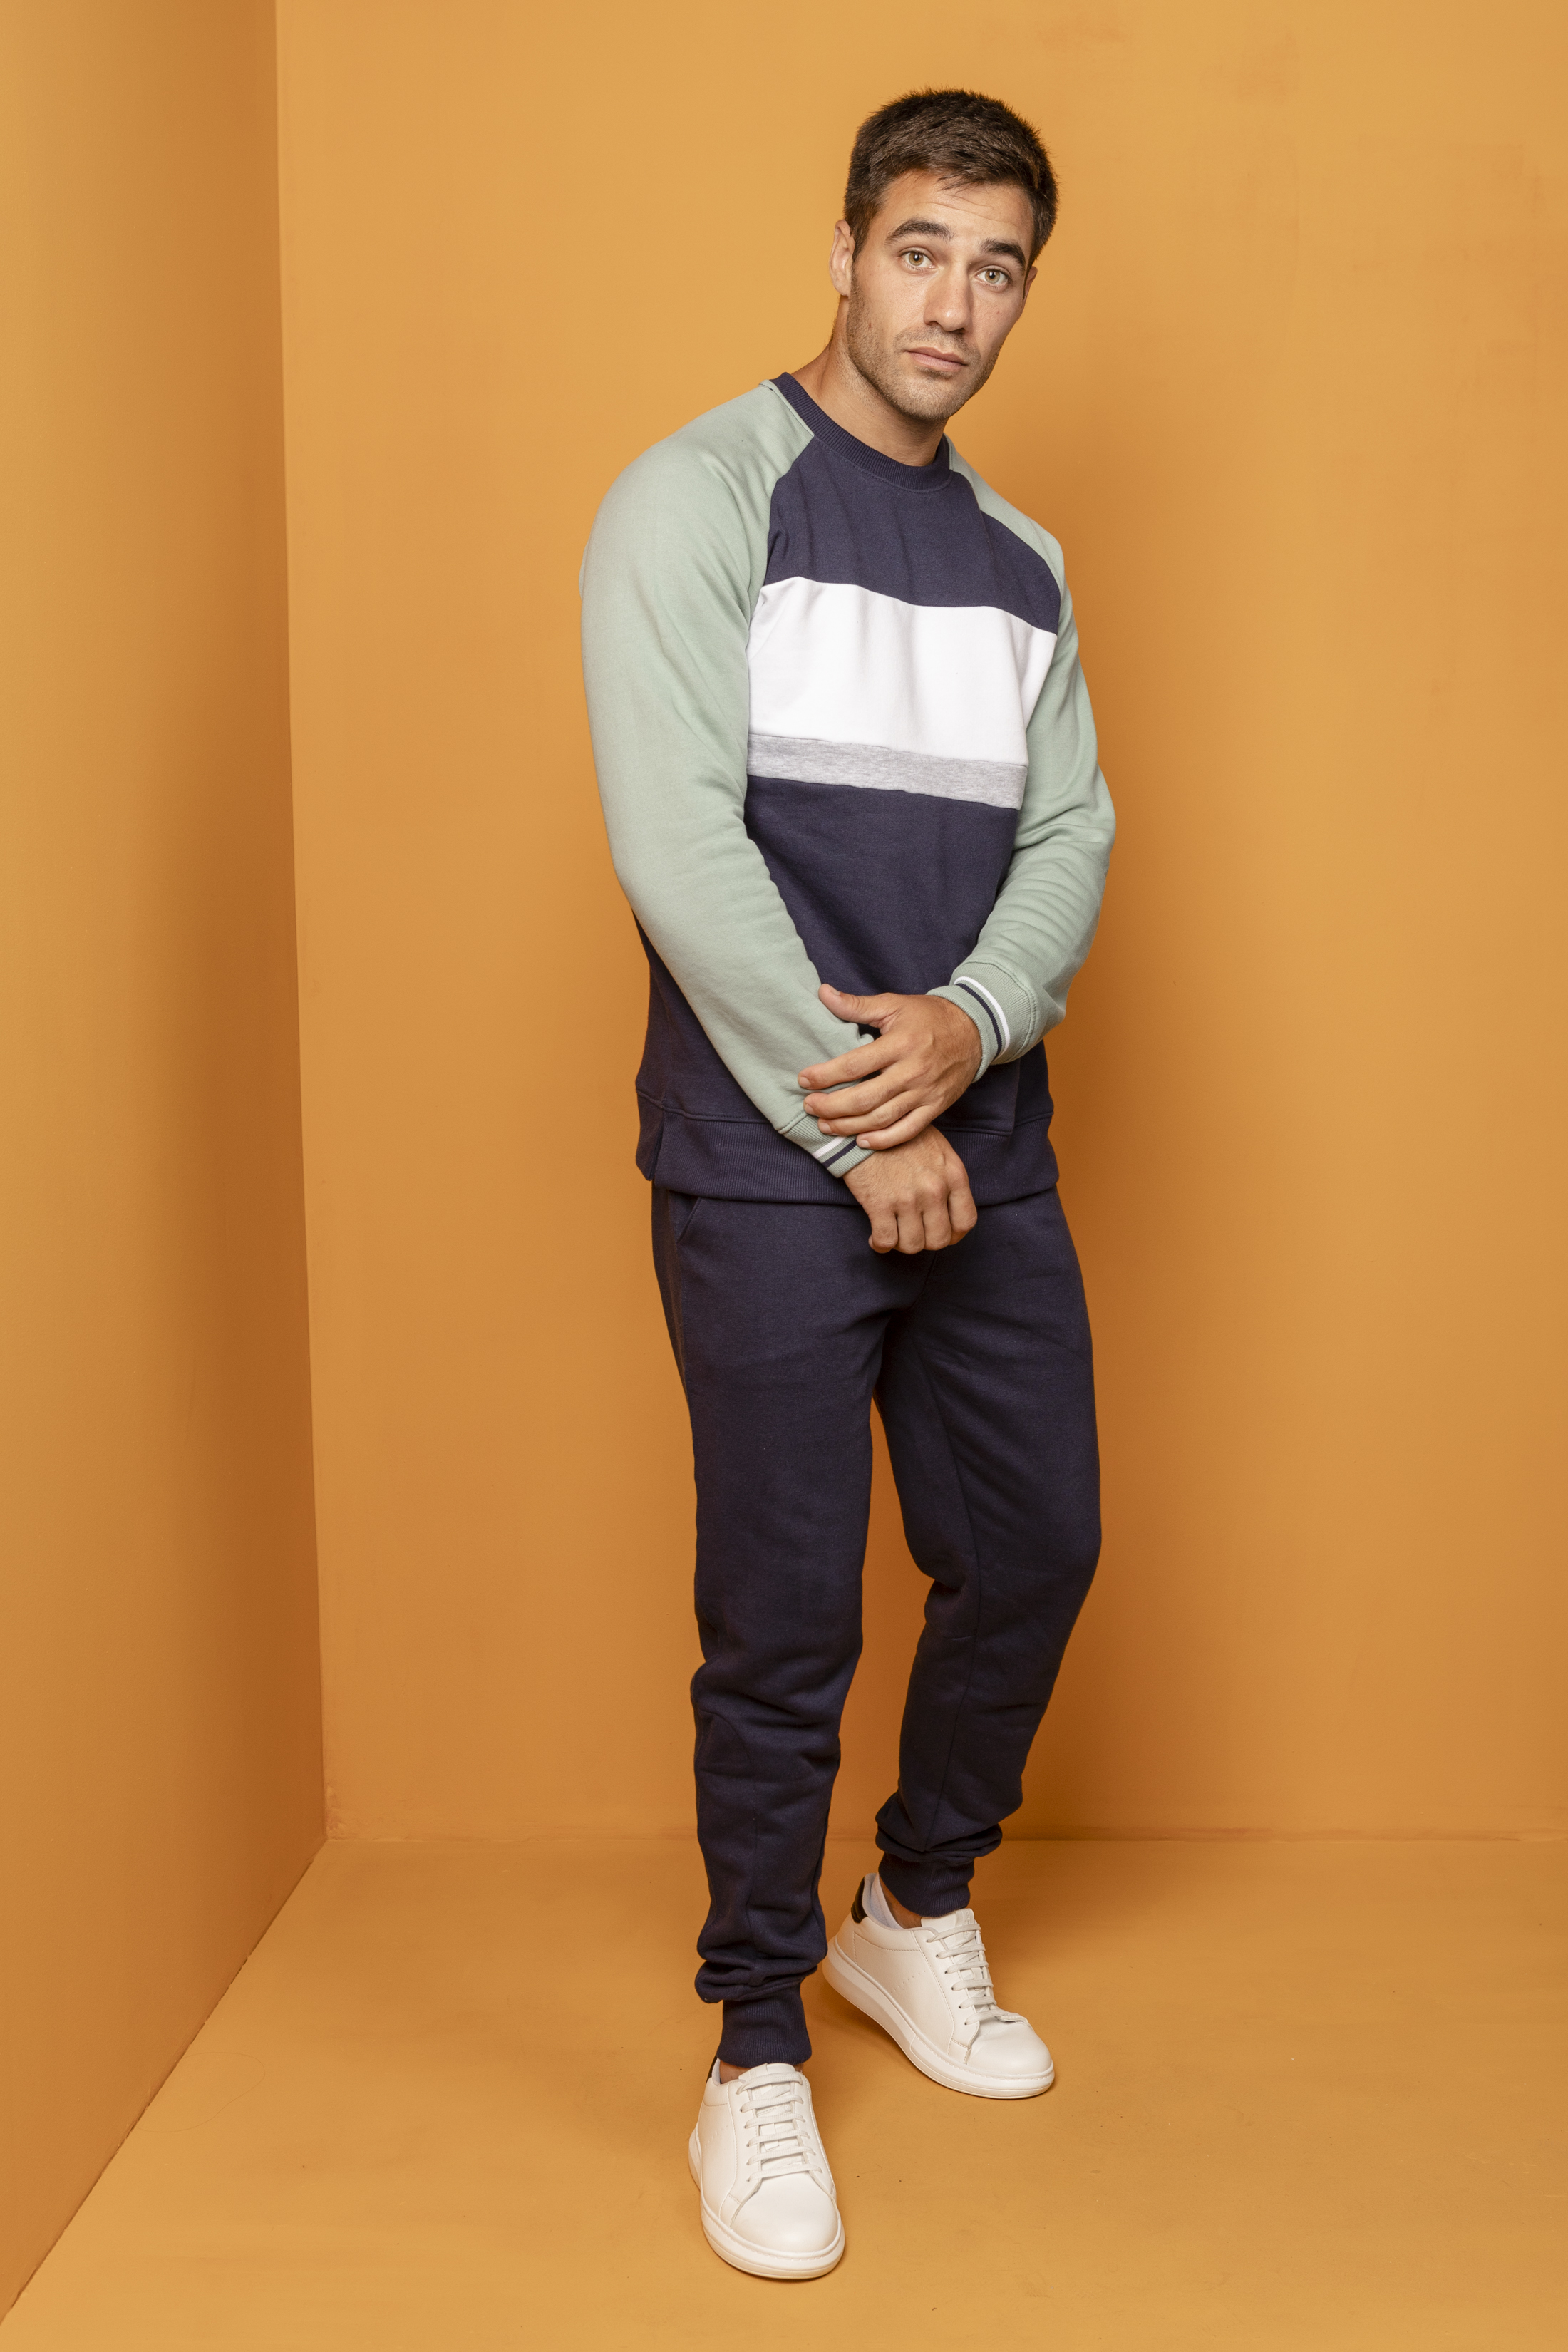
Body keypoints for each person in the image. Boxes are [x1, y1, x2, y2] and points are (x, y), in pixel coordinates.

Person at [581, 86, 1113, 2281]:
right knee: (784, 1616)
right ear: (842, 252)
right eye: (920, 251)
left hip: (987, 1142)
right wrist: (862, 1117)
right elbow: (675, 840)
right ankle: (753, 2043)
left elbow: (1071, 834)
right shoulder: (696, 497)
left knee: (1038, 1543)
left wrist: (970, 1032)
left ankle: (913, 1903)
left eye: (997, 267)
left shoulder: (1024, 562)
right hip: (770, 1166)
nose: (955, 304)